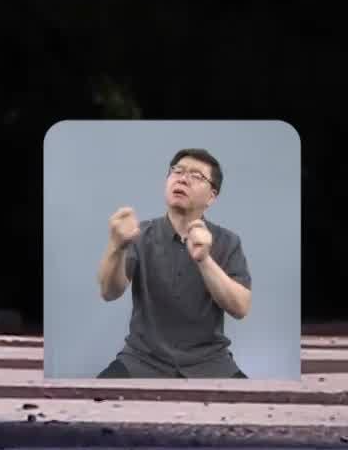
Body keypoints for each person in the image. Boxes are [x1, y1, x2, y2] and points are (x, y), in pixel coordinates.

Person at [95, 148, 253, 378]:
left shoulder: (228, 241)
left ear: (211, 196)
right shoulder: (141, 235)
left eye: (196, 176)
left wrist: (204, 259)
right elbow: (109, 292)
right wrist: (116, 247)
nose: (183, 178)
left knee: (251, 411)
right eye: (177, 171)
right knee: (92, 406)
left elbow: (241, 308)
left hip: (211, 364)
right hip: (142, 361)